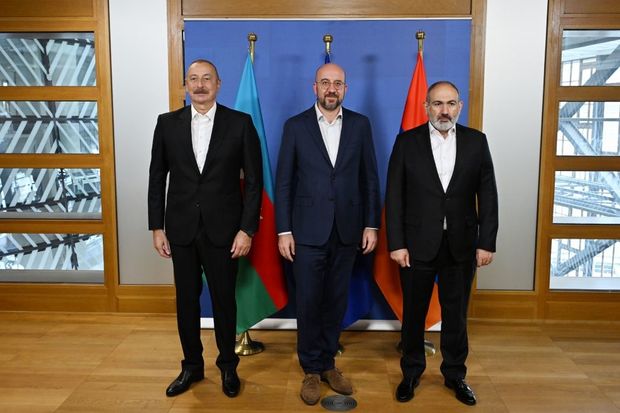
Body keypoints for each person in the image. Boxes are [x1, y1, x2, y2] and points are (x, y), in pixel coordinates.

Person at [147, 59, 263, 398]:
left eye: (207, 78)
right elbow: (157, 177)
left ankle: (228, 366)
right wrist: (156, 227)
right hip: (180, 229)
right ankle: (191, 367)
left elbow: (254, 182)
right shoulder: (166, 124)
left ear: (218, 84)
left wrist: (247, 230)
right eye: (194, 79)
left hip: (225, 231)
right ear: (186, 85)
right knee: (186, 302)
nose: (200, 85)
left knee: (224, 301)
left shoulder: (240, 123)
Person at [385, 81, 498, 406]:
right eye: (437, 104)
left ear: (459, 107)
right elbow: (394, 196)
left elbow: (488, 194)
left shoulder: (477, 141)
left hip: (462, 244)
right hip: (416, 244)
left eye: (450, 104)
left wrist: (486, 242)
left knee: (456, 315)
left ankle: (455, 375)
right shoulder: (406, 142)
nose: (444, 111)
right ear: (426, 107)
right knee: (414, 314)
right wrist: (397, 243)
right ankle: (411, 373)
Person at [275, 63, 381, 406]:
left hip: (348, 230)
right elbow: (284, 182)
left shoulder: (361, 125)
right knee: (308, 302)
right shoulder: (295, 126)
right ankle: (310, 369)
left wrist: (371, 224)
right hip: (306, 232)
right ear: (315, 88)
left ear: (345, 89)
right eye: (325, 82)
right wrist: (284, 230)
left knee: (336, 300)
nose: (331, 88)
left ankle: (328, 365)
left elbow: (370, 179)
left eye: (337, 83)